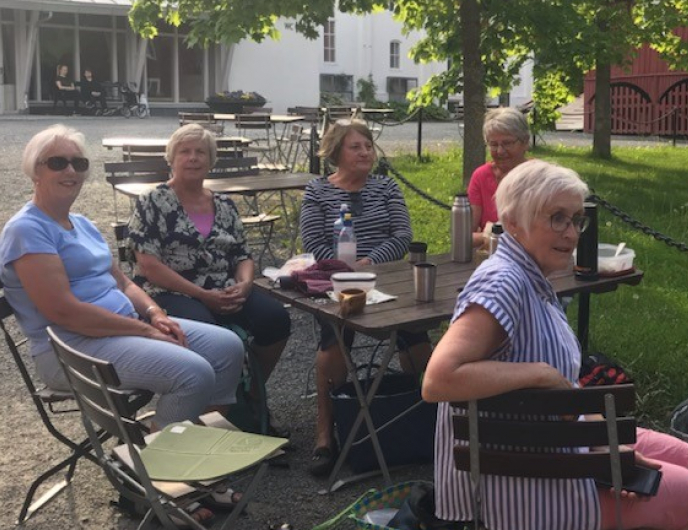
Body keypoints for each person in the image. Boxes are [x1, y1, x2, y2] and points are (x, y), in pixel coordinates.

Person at [422, 160, 688, 530]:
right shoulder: (502, 283)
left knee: (684, 455)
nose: (572, 233)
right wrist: (540, 375)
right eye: (557, 218)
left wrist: (600, 439)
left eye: (576, 219)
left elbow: (563, 394)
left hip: (550, 442)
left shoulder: (533, 276)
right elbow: (439, 379)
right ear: (512, 223)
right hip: (527, 486)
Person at [0, 126, 246, 524]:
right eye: (57, 162)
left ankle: (182, 455)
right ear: (35, 171)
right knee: (193, 372)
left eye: (78, 163)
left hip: (119, 329)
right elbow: (64, 312)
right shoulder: (27, 230)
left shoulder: (78, 222)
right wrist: (146, 331)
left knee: (226, 347)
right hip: (71, 347)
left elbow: (125, 281)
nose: (71, 171)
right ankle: (166, 483)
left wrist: (155, 314)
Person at [127, 124, 291, 430]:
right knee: (209, 331)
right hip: (169, 290)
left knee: (276, 319)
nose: (192, 158)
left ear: (211, 160)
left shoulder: (225, 205)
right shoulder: (151, 202)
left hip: (224, 286)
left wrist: (244, 284)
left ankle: (251, 394)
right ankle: (206, 418)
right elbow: (148, 265)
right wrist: (203, 295)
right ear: (171, 159)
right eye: (184, 151)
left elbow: (243, 255)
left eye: (200, 152)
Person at [299, 118, 432, 476]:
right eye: (355, 147)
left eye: (368, 146)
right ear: (336, 153)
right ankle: (325, 434)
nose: (365, 153)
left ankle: (427, 415)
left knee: (416, 332)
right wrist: (343, 268)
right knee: (333, 337)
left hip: (387, 279)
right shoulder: (317, 192)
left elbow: (402, 235)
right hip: (337, 281)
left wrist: (371, 260)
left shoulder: (386, 188)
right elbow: (312, 243)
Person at [468, 107, 531, 247]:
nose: (500, 151)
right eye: (494, 145)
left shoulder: (539, 177)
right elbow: (465, 237)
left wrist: (491, 235)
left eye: (507, 143)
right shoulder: (481, 176)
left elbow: (543, 236)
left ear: (525, 142)